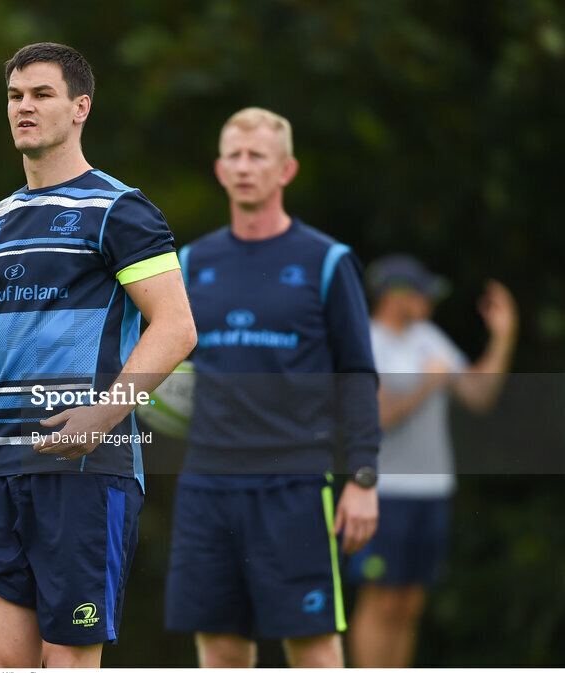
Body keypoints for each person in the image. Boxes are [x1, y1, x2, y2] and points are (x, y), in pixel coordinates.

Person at [0, 42, 196, 668]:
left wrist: (101, 416)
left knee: (68, 661)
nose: (24, 107)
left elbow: (177, 328)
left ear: (80, 108)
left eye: (42, 94)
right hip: (1, 469)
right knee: (3, 661)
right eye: (15, 96)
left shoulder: (120, 210)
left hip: (87, 475)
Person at [163, 107, 381, 667]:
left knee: (311, 645)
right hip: (207, 486)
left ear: (286, 170)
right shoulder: (190, 262)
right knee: (219, 645)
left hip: (295, 486)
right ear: (217, 169)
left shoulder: (327, 262)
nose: (243, 167)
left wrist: (362, 477)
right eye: (233, 156)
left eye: (257, 156)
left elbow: (357, 374)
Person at [346, 254, 518, 668]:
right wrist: (427, 385)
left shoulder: (428, 337)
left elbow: (479, 396)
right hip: (386, 494)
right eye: (422, 292)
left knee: (409, 605)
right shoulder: (367, 340)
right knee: (381, 601)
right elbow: (375, 416)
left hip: (433, 491)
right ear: (396, 295)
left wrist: (502, 336)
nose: (429, 300)